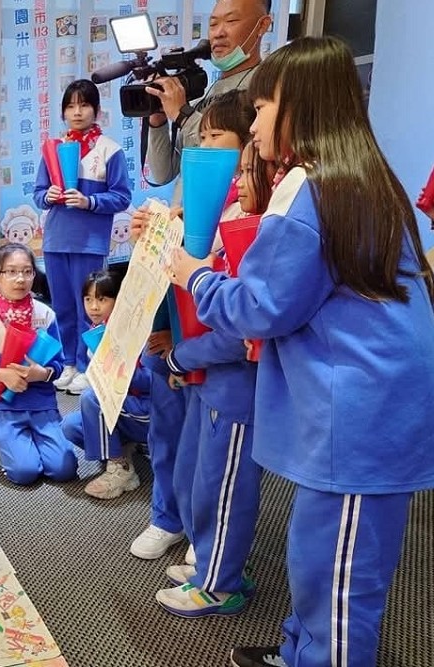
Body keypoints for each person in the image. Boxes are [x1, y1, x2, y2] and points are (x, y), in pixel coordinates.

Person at [168, 36, 434, 667]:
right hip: (365, 395)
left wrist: (196, 275)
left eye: (261, 108)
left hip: (359, 404)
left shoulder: (310, 187)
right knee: (322, 551)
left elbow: (263, 306)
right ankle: (302, 649)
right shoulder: (357, 176)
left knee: (339, 569)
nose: (254, 126)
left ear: (299, 105)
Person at [155, 93, 268, 618]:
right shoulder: (221, 213)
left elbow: (243, 322)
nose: (206, 149)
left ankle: (219, 582)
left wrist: (187, 353)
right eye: (199, 140)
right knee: (201, 474)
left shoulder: (257, 223)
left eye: (218, 139)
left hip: (232, 381)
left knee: (224, 484)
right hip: (206, 371)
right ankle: (212, 565)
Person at [33, 79, 131, 396]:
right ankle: (68, 365)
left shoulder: (109, 150)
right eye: (71, 106)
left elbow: (122, 197)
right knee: (62, 306)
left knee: (89, 307)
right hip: (56, 240)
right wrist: (48, 195)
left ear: (96, 109)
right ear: (63, 111)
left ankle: (89, 366)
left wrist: (90, 201)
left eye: (84, 105)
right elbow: (37, 194)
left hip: (89, 242)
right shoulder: (54, 148)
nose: (77, 112)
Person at [0, 243, 78, 486]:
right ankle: (0, 442)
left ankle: (27, 440)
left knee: (64, 469)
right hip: (0, 402)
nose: (20, 279)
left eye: (27, 271)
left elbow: (58, 363)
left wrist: (41, 374)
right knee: (25, 472)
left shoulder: (45, 315)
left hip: (40, 399)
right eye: (11, 272)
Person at [144, 0, 272, 199]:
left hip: (221, 220)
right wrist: (157, 121)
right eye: (213, 24)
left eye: (231, 21)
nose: (218, 33)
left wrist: (183, 115)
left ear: (262, 25)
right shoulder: (209, 92)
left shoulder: (265, 91)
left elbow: (235, 163)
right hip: (182, 221)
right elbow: (163, 174)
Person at [61, 269, 151, 499]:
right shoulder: (97, 332)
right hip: (122, 405)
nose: (93, 307)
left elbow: (152, 382)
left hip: (147, 409)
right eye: (88, 299)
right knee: (71, 426)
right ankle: (125, 451)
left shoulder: (135, 331)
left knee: (91, 398)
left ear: (118, 299)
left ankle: (119, 467)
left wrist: (119, 372)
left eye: (102, 299)